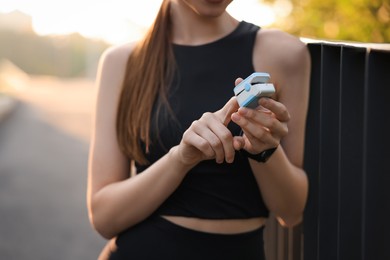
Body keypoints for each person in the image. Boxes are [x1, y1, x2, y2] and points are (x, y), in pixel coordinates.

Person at [87, 0, 310, 259]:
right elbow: (104, 218)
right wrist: (181, 158)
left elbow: (291, 212)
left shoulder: (284, 53)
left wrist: (264, 151)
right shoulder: (123, 61)